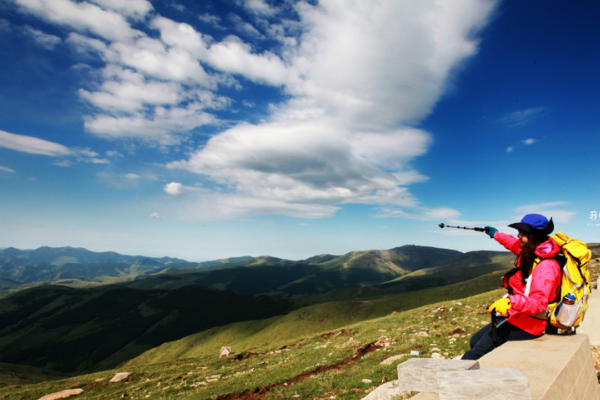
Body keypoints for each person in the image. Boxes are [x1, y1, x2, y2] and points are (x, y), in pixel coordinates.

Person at [461, 213, 561, 360]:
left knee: (474, 354)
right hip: (517, 315)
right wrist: (495, 234)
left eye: (522, 232)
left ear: (532, 236)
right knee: (474, 341)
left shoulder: (546, 266)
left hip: (530, 323)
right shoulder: (530, 251)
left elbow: (539, 303)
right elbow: (511, 242)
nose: (518, 235)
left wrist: (510, 301)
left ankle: (456, 379)